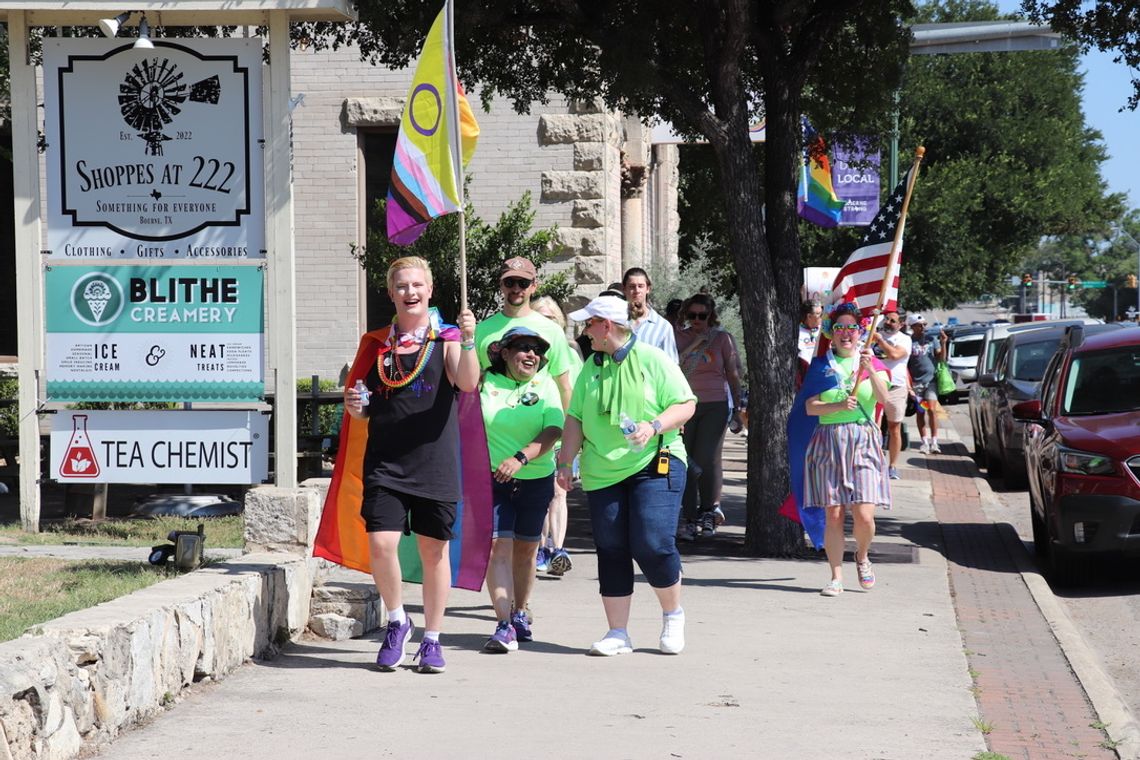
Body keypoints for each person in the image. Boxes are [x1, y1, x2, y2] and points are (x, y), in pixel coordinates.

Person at [343, 256, 480, 674]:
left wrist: (471, 340)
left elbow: (468, 383)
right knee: (382, 544)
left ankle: (433, 639)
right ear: (391, 293)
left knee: (434, 551)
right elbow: (367, 406)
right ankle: (397, 620)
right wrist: (355, 407)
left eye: (417, 285)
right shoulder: (378, 343)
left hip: (435, 462)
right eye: (402, 286)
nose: (410, 293)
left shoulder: (448, 338)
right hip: (385, 461)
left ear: (430, 289)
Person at [557, 294, 696, 656]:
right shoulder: (592, 366)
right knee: (612, 548)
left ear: (606, 325)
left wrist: (653, 426)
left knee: (651, 542)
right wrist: (565, 463)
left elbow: (686, 404)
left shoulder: (652, 358)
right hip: (602, 471)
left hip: (655, 462)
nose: (585, 331)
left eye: (589, 324)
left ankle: (672, 614)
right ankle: (618, 632)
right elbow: (575, 418)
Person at [478, 327, 564, 652]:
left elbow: (554, 428)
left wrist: (520, 457)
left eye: (536, 350)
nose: (530, 354)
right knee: (497, 547)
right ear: (504, 351)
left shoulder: (546, 384)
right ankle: (502, 624)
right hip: (492, 480)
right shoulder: (487, 382)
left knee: (527, 551)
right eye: (522, 347)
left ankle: (519, 613)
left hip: (536, 478)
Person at [802, 302, 891, 597]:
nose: (845, 333)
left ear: (860, 332)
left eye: (851, 328)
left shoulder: (872, 363)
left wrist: (869, 369)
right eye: (839, 327)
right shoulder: (821, 365)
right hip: (829, 441)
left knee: (864, 514)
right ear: (831, 332)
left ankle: (862, 556)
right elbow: (810, 406)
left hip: (863, 440)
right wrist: (838, 405)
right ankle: (836, 576)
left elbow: (885, 400)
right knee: (834, 514)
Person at [674, 293, 743, 539]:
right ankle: (689, 516)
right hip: (684, 404)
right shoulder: (678, 337)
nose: (697, 320)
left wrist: (738, 408)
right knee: (686, 460)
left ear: (710, 316)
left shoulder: (722, 339)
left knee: (706, 457)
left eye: (702, 316)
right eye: (692, 315)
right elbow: (674, 367)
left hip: (715, 404)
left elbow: (733, 374)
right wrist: (694, 343)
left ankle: (708, 510)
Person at [475, 257, 574, 410]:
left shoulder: (552, 330)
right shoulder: (482, 330)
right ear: (501, 285)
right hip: (493, 429)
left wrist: (569, 431)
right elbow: (472, 385)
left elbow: (564, 387)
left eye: (523, 283)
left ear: (534, 286)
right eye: (510, 282)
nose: (516, 289)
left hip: (543, 428)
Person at [530, 295, 583, 576]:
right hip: (532, 433)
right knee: (541, 495)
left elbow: (576, 394)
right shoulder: (524, 352)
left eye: (550, 318)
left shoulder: (570, 354)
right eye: (539, 317)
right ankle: (540, 547)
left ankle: (557, 549)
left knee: (558, 493)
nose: (544, 323)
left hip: (563, 433)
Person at [871, 309, 911, 479]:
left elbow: (894, 354)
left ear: (901, 324)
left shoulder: (905, 340)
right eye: (886, 319)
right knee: (873, 427)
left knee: (894, 428)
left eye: (892, 321)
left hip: (896, 388)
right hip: (875, 387)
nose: (888, 322)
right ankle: (874, 461)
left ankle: (893, 466)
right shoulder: (875, 332)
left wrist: (880, 340)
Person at [906, 314, 946, 454]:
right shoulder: (908, 342)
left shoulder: (931, 339)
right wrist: (908, 385)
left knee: (932, 410)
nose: (923, 327)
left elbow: (941, 357)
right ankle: (924, 442)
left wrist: (943, 343)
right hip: (917, 383)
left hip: (931, 381)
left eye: (924, 324)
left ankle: (934, 442)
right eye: (919, 325)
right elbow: (905, 364)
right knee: (921, 411)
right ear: (912, 327)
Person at [623, 267, 679, 361]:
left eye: (640, 286)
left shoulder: (663, 327)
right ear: (624, 289)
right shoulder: (614, 321)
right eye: (632, 286)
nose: (637, 291)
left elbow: (671, 366)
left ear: (648, 289)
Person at [797, 301, 824, 385]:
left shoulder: (824, 329)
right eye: (819, 314)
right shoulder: (796, 332)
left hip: (822, 373)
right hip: (805, 377)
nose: (822, 316)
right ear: (809, 316)